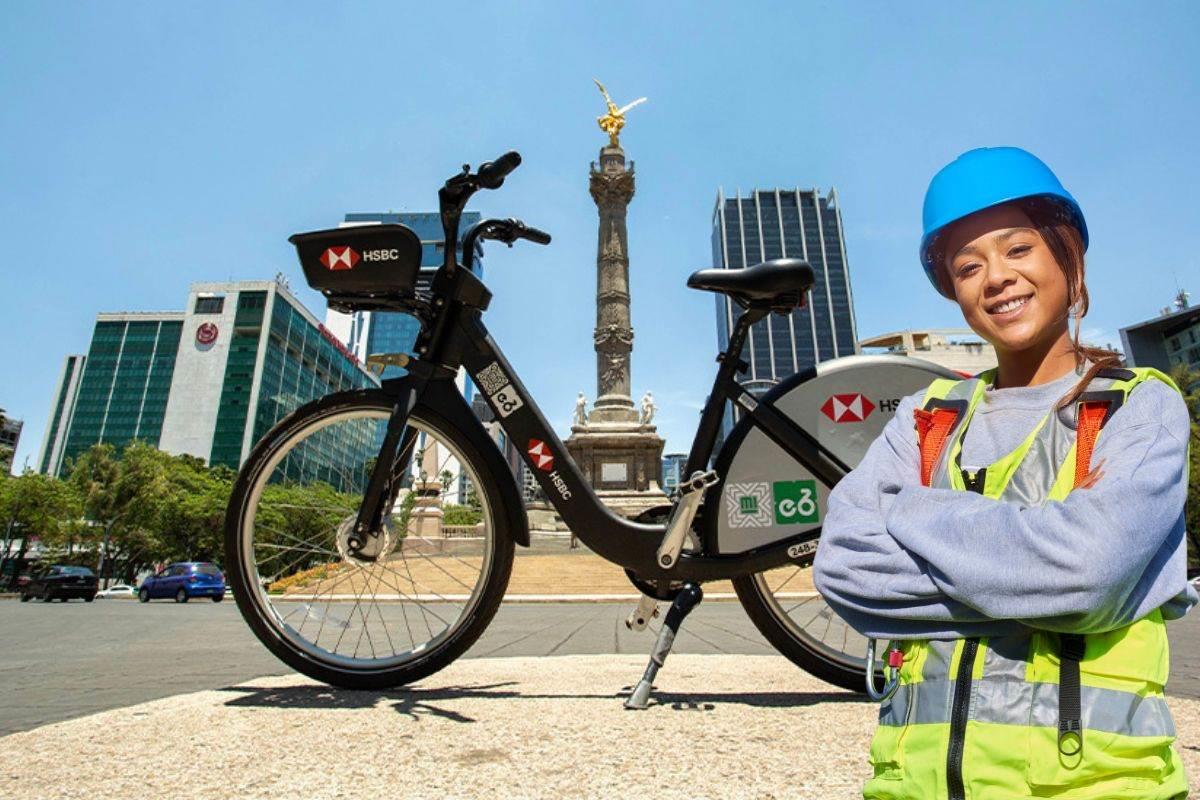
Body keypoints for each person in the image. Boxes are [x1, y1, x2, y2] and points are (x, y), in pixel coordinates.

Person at [812, 146, 1197, 799]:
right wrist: (1038, 583)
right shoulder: (926, 416)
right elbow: (843, 569)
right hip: (913, 785)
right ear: (954, 291)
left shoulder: (1138, 405)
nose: (996, 277)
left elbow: (1086, 575)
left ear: (1066, 255)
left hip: (1092, 787)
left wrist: (911, 511)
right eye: (968, 266)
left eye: (1018, 249)